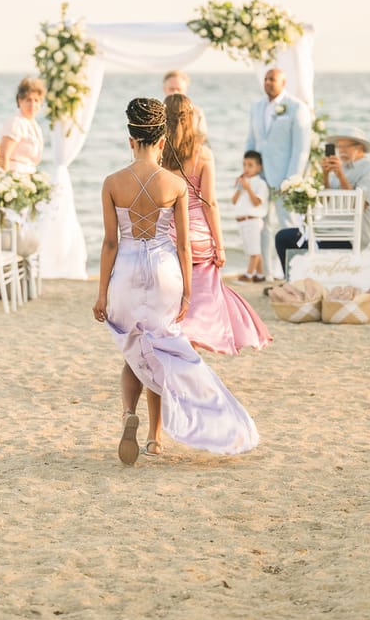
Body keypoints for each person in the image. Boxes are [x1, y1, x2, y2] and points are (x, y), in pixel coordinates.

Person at [92, 97, 259, 464]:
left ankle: (127, 414)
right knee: (163, 349)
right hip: (165, 271)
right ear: (162, 141)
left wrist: (102, 293)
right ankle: (161, 436)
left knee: (134, 349)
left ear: (130, 138)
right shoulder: (174, 184)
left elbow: (109, 243)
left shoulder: (111, 183)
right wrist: (187, 289)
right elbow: (182, 244)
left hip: (127, 271)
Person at [162, 94, 271, 354]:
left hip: (167, 235)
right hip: (198, 236)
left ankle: (179, 340)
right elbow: (209, 202)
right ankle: (193, 339)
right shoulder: (203, 154)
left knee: (171, 297)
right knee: (201, 299)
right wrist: (219, 246)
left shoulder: (158, 153)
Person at [274, 127, 370, 273]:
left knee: (289, 239)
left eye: (346, 146)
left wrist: (340, 175)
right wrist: (326, 175)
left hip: (350, 235)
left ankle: (305, 280)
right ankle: (294, 281)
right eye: (339, 147)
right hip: (327, 229)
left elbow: (359, 206)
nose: (341, 151)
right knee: (283, 237)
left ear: (359, 147)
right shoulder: (340, 166)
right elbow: (329, 203)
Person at [245, 68, 312, 278]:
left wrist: (291, 179)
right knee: (262, 226)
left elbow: (301, 148)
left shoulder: (297, 107)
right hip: (261, 178)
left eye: (272, 79)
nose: (268, 82)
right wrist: (248, 172)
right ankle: (267, 274)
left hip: (285, 178)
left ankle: (293, 274)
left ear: (283, 82)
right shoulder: (256, 107)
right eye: (265, 78)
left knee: (288, 226)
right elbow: (252, 140)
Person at [231, 150, 269, 282]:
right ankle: (260, 275)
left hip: (253, 220)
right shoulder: (243, 182)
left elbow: (257, 202)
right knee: (250, 248)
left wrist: (248, 188)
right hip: (242, 220)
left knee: (254, 249)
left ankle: (248, 275)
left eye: (250, 165)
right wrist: (240, 187)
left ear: (259, 167)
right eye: (244, 165)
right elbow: (234, 201)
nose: (246, 168)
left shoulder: (260, 183)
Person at [0, 77, 45, 175]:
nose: (32, 105)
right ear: (20, 101)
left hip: (29, 177)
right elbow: (4, 155)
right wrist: (6, 181)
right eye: (28, 100)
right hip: (15, 176)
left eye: (36, 100)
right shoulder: (16, 123)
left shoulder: (35, 125)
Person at [162, 69, 207, 137]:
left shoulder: (196, 113)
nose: (175, 92)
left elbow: (202, 139)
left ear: (185, 90)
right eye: (171, 89)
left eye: (179, 89)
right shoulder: (156, 113)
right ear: (164, 89)